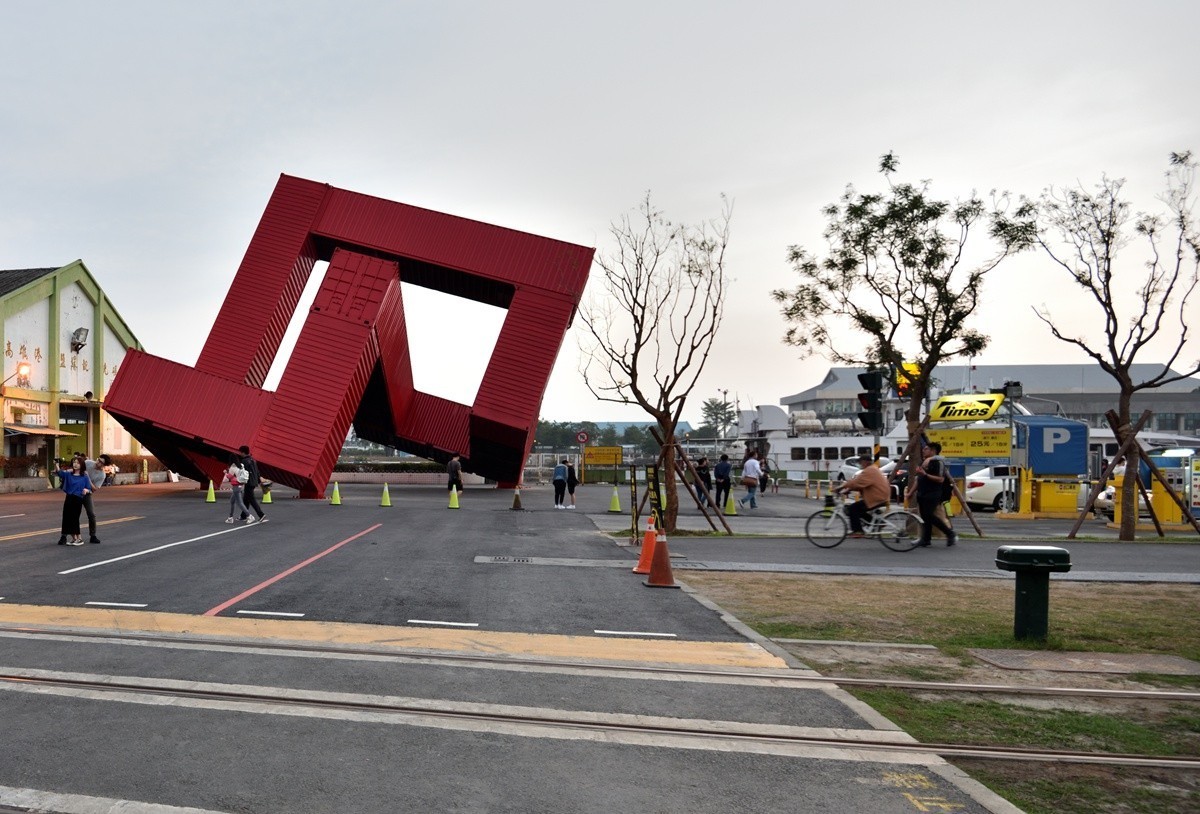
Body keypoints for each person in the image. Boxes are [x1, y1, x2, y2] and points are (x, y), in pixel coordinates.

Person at [906, 442, 957, 547]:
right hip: (922, 493)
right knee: (924, 517)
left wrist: (925, 474)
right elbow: (918, 479)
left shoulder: (938, 462)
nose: (923, 450)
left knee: (929, 515)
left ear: (933, 451)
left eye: (926, 449)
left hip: (933, 493)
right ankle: (926, 539)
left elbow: (940, 479)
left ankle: (950, 533)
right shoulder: (924, 461)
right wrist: (911, 492)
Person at [835, 453, 891, 537]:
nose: (860, 464)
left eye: (860, 462)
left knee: (853, 509)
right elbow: (861, 484)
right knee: (859, 509)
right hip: (880, 496)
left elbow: (856, 482)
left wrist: (840, 487)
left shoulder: (869, 470)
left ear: (865, 462)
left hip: (877, 497)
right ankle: (878, 523)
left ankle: (858, 531)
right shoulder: (873, 469)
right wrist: (848, 490)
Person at [57, 457, 92, 546]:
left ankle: (79, 538)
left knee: (74, 518)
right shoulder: (69, 474)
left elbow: (88, 488)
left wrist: (85, 490)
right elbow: (60, 473)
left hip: (78, 498)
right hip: (69, 497)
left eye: (77, 463)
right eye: (74, 462)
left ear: (82, 465)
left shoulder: (84, 476)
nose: (75, 464)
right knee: (66, 518)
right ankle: (74, 539)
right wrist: (56, 464)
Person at [238, 445, 267, 524]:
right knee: (246, 499)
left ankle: (261, 514)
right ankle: (243, 515)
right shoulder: (253, 460)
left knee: (251, 499)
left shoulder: (244, 461)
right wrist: (259, 480)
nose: (240, 454)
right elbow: (257, 471)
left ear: (243, 452)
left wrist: (240, 481)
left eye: (240, 452)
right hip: (254, 482)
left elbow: (243, 473)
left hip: (249, 482)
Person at [223, 455, 251, 524]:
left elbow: (227, 479)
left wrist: (225, 473)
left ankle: (249, 516)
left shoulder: (232, 467)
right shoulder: (241, 466)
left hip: (236, 486)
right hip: (240, 485)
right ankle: (230, 517)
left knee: (240, 503)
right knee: (232, 501)